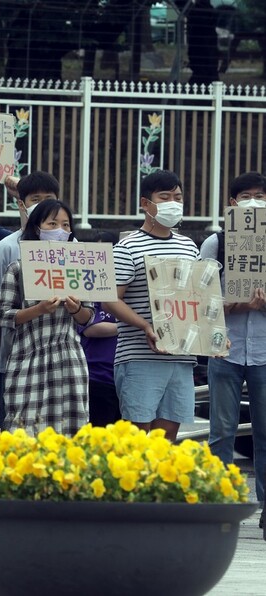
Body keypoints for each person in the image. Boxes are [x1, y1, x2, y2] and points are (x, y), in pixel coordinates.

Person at [104, 170, 199, 442]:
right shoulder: (127, 247)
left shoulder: (190, 247)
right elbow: (110, 299)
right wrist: (145, 325)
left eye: (178, 197)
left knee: (167, 438)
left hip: (181, 358)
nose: (173, 203)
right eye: (165, 197)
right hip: (139, 356)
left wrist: (211, 337)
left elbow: (198, 299)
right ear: (146, 203)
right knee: (137, 437)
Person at [199, 171, 266, 514]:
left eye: (260, 196)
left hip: (264, 353)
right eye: (247, 196)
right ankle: (218, 502)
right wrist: (238, 304)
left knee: (264, 433)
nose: (254, 202)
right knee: (222, 431)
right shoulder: (216, 243)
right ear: (232, 203)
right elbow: (198, 301)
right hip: (224, 348)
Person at [0, 199, 91, 436]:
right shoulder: (17, 268)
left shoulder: (77, 268)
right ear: (37, 228)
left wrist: (76, 308)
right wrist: (37, 309)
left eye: (66, 225)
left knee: (70, 431)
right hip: (29, 358)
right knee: (24, 430)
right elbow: (4, 316)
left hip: (69, 359)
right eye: (53, 223)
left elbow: (87, 318)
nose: (61, 230)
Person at [0, 171, 61, 427]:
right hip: (16, 354)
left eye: (48, 198)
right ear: (22, 204)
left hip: (59, 355)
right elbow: (1, 307)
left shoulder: (73, 246)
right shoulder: (8, 248)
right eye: (35, 199)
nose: (42, 204)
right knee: (15, 425)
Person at [77, 231, 121, 427]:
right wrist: (130, 325)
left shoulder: (127, 288)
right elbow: (89, 328)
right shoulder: (86, 288)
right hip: (96, 376)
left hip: (126, 376)